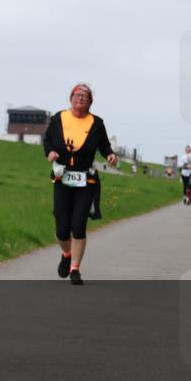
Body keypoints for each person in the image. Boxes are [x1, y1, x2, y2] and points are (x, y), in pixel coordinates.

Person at [43, 83, 119, 286]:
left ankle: (75, 269)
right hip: (62, 177)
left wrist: (110, 154)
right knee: (62, 228)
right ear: (71, 97)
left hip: (86, 179)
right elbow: (47, 140)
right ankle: (66, 254)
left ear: (90, 101)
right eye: (77, 94)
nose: (81, 98)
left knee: (78, 225)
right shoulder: (59, 118)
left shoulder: (96, 123)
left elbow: (104, 145)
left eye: (85, 95)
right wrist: (49, 152)